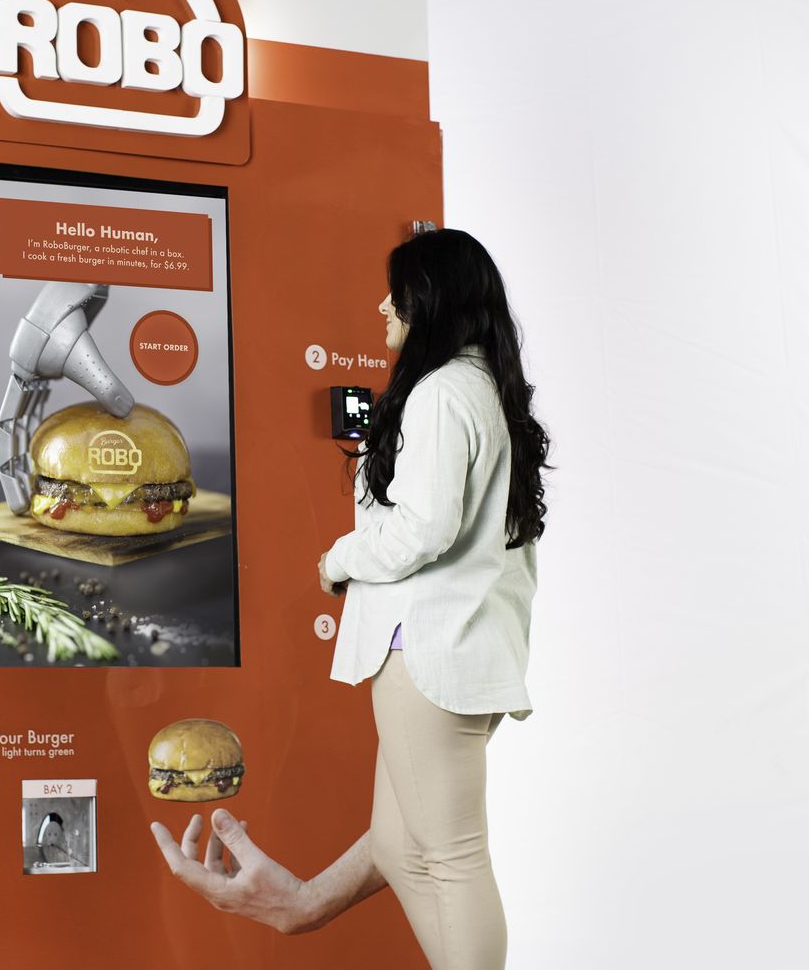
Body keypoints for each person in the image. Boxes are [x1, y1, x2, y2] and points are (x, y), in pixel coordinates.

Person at [150, 228, 550, 969]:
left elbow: (425, 526)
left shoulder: (440, 392)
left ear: (428, 300)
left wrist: (336, 561)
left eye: (394, 292)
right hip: (463, 648)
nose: (381, 306)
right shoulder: (487, 392)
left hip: (427, 647)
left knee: (451, 856)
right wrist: (302, 904)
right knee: (404, 845)